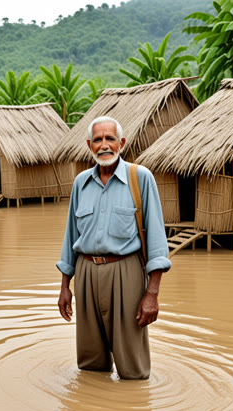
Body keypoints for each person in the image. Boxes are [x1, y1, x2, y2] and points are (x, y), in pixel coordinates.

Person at [57, 116, 171, 380]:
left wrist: (152, 293)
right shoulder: (80, 183)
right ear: (89, 145)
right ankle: (96, 409)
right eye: (98, 139)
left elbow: (156, 240)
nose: (104, 145)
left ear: (121, 143)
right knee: (90, 361)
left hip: (126, 272)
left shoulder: (140, 177)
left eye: (110, 139)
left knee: (133, 365)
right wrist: (65, 286)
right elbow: (70, 237)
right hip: (85, 273)